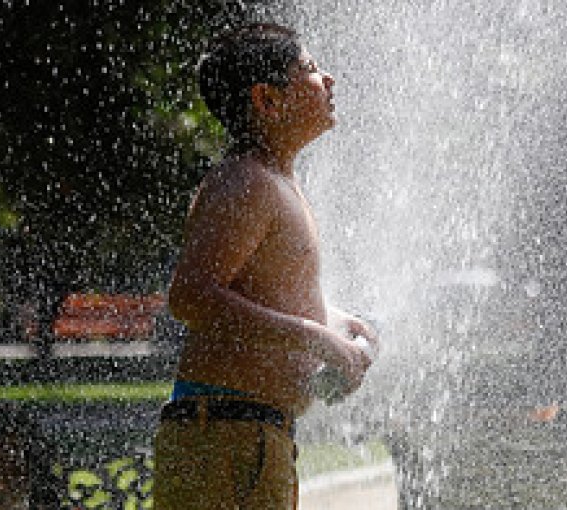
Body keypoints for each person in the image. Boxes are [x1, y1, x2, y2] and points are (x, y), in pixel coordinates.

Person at [153, 23, 380, 509]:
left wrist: (336, 323)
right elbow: (191, 296)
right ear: (267, 100)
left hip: (245, 432)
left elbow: (265, 292)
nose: (329, 80)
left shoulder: (276, 182)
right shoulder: (246, 182)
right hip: (223, 436)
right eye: (311, 70)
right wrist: (314, 337)